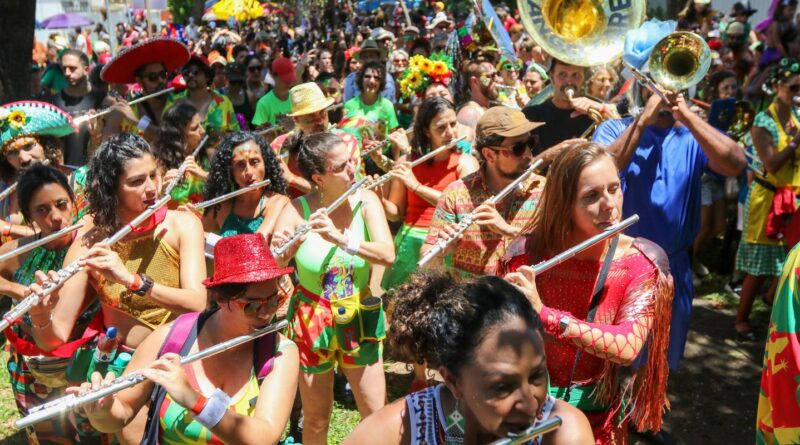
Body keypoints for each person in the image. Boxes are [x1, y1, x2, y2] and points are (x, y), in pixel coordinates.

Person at [26, 133, 208, 444]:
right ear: (111, 188)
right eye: (136, 182)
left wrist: (132, 281)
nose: (152, 188)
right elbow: (54, 336)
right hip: (122, 367)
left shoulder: (182, 224)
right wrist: (40, 315)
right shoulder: (91, 239)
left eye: (153, 175)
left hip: (183, 358)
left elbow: (197, 303)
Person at [500, 141, 674, 443]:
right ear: (564, 205)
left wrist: (545, 314)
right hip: (524, 411)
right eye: (591, 196)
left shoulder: (640, 261)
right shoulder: (525, 255)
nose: (610, 205)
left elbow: (627, 347)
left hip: (598, 420)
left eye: (614, 188)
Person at [69, 233, 299, 445]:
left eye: (274, 301)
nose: (267, 313)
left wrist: (195, 401)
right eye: (253, 305)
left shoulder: (280, 353)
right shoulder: (171, 338)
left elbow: (265, 437)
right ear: (220, 299)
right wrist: (102, 411)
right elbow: (121, 414)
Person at [592, 81, 746, 367]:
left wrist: (687, 117)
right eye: (656, 85)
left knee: (657, 366)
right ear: (642, 89)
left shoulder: (691, 135)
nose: (665, 92)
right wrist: (641, 122)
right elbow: (600, 170)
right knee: (611, 360)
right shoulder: (614, 129)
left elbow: (736, 163)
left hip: (674, 267)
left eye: (678, 84)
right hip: (622, 263)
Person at [344, 271, 594, 445]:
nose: (529, 404)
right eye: (502, 387)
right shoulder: (395, 432)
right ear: (453, 381)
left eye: (537, 374)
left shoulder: (564, 433)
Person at [271, 132, 394, 445]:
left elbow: (387, 254)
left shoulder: (366, 200)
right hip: (313, 318)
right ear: (318, 178)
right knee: (315, 419)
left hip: (358, 312)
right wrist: (283, 249)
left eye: (351, 161)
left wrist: (343, 240)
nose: (352, 168)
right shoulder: (296, 209)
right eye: (341, 167)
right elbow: (274, 262)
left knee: (376, 414)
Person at [0, 165, 102, 445]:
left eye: (61, 205)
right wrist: (18, 290)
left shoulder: (90, 241)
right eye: (41, 210)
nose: (55, 217)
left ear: (72, 202)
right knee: (49, 438)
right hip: (34, 368)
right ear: (29, 215)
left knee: (92, 434)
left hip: (82, 362)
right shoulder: (18, 251)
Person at [420, 106, 546, 278]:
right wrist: (441, 252)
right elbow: (426, 262)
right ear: (489, 155)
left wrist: (509, 231)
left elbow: (559, 249)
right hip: (472, 302)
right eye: (518, 148)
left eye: (530, 143)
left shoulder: (544, 190)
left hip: (528, 300)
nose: (528, 154)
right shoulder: (456, 194)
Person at [378, 97, 479, 291]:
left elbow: (463, 208)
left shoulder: (466, 163)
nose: (450, 132)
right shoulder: (407, 163)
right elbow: (396, 213)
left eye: (453, 124)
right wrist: (379, 200)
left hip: (447, 242)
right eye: (441, 127)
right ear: (426, 131)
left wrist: (416, 187)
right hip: (411, 243)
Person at [735, 59, 800, 341]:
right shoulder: (762, 121)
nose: (798, 91)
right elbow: (771, 163)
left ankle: (771, 299)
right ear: (776, 87)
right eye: (793, 87)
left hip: (792, 199)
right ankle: (741, 319)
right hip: (768, 199)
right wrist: (797, 142)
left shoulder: (797, 117)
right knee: (759, 266)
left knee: (789, 259)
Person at [0, 101, 77, 240]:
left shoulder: (79, 180)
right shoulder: (4, 189)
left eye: (29, 146)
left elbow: (65, 233)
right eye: (12, 153)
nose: (24, 158)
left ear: (46, 144)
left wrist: (7, 228)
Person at [271, 82, 363, 197]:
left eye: (322, 113)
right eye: (311, 117)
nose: (319, 121)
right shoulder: (279, 146)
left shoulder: (346, 142)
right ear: (296, 119)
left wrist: (293, 179)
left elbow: (349, 190)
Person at [100, 38, 191, 142]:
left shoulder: (179, 103)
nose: (161, 80)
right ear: (139, 81)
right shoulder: (128, 110)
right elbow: (107, 147)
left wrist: (136, 121)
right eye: (153, 77)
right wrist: (98, 130)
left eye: (163, 74)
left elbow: (172, 139)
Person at [201, 132, 289, 238]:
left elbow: (256, 243)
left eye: (254, 161)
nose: (249, 172)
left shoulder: (277, 202)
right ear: (229, 170)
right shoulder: (221, 206)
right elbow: (196, 238)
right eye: (240, 165)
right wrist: (189, 222)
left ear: (265, 163)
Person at [522, 58, 616, 156]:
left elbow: (623, 135)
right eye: (562, 74)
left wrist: (603, 110)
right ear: (552, 78)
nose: (569, 82)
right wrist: (548, 155)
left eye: (576, 75)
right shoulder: (531, 115)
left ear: (584, 79)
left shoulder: (596, 109)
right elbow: (521, 167)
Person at [47, 50, 107, 165]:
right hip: (66, 171)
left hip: (96, 168)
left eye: (72, 68)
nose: (67, 73)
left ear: (86, 70)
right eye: (64, 68)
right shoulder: (54, 102)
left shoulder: (102, 99)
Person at [165, 56, 240, 139]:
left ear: (207, 76)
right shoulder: (174, 101)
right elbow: (165, 133)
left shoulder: (223, 102)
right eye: (186, 72)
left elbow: (235, 135)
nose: (190, 75)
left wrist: (219, 135)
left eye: (195, 72)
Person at [154, 103, 209, 206]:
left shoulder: (206, 157)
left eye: (201, 125)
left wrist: (205, 175)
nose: (203, 131)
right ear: (178, 136)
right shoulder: (159, 167)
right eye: (195, 128)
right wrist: (162, 194)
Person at [252, 57, 296, 130]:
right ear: (273, 75)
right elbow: (259, 131)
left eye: (290, 77)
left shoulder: (296, 97)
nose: (289, 81)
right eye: (285, 78)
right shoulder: (263, 103)